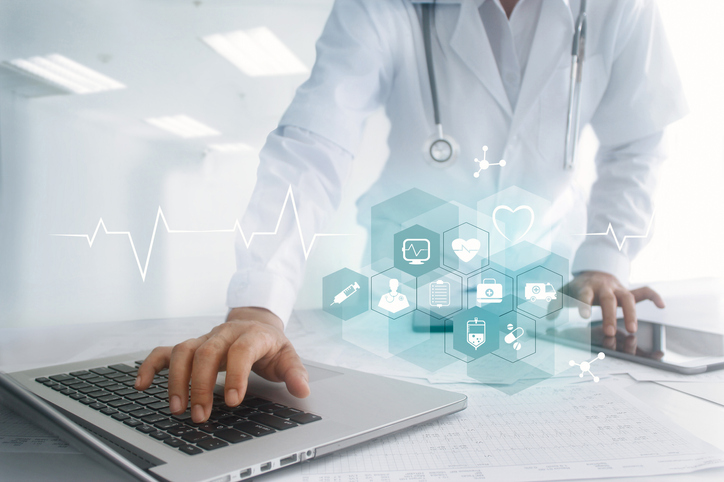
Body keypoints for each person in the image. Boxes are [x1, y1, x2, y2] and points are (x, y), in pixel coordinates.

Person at [136, 0, 686, 423]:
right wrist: (258, 305)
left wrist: (606, 260)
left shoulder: (618, 7)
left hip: (544, 300)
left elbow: (637, 141)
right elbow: (314, 144)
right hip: (404, 298)